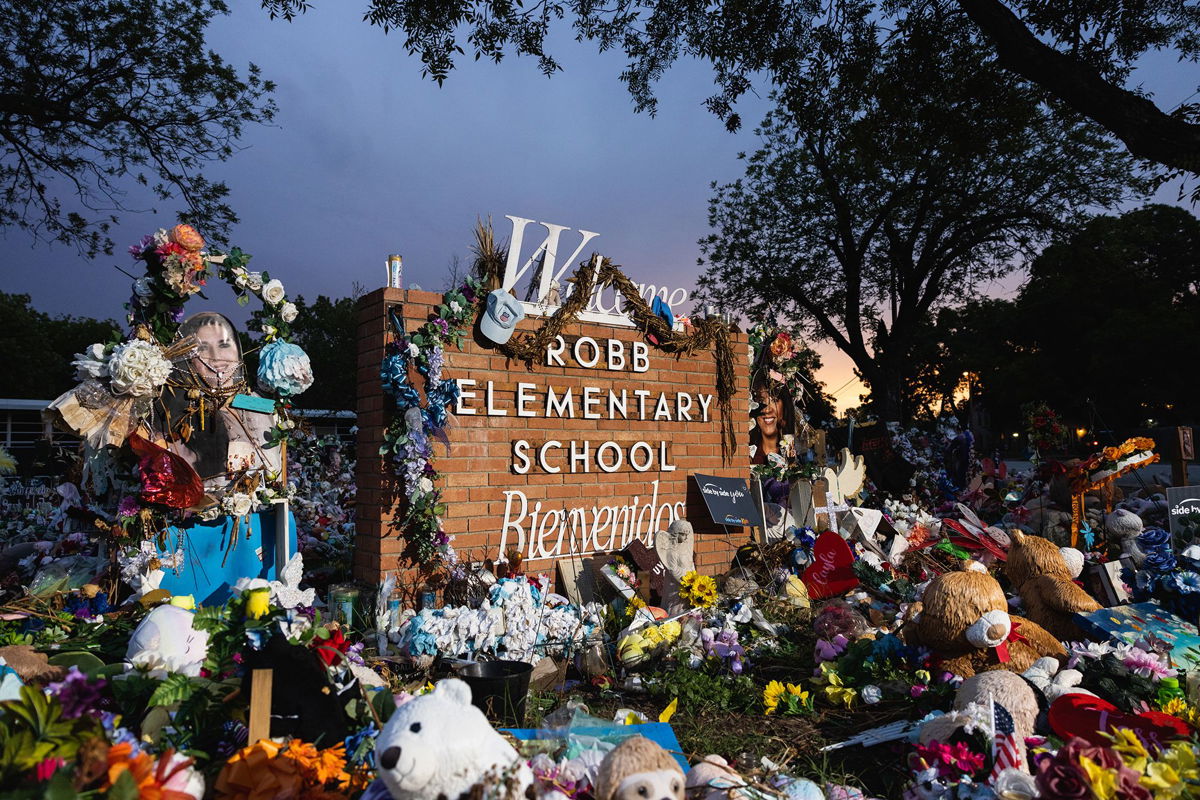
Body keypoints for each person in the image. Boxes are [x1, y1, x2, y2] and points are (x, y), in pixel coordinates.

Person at [155, 312, 279, 491]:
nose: (216, 357)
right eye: (203, 348)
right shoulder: (179, 411)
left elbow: (276, 460)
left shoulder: (257, 403)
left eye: (224, 345)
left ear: (237, 349)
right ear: (188, 359)